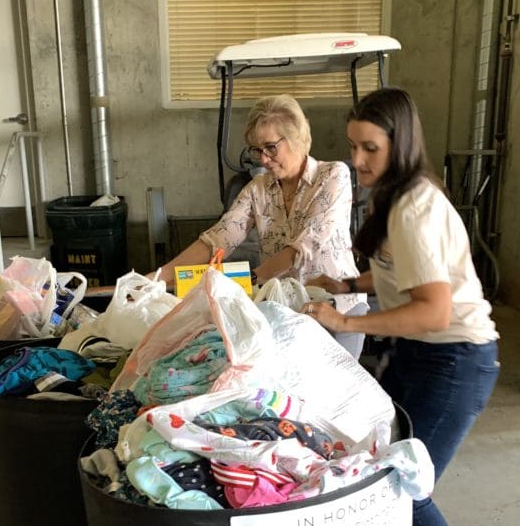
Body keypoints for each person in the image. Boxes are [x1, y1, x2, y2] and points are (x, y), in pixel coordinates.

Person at [303, 87, 500, 526]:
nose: (358, 160)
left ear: (400, 144)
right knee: (376, 466)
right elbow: (398, 275)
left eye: (370, 148)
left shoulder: (414, 206)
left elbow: (433, 309)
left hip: (454, 361)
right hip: (420, 355)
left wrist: (344, 321)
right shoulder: (395, 195)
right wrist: (346, 284)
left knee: (403, 485)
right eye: (352, 146)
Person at [157, 94, 367, 359]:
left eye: (271, 148)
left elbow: (305, 245)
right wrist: (157, 277)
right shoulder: (259, 188)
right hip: (287, 314)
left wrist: (251, 278)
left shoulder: (333, 175)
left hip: (338, 309)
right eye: (257, 150)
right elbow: (220, 238)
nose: (263, 159)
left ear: (297, 139)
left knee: (337, 396)